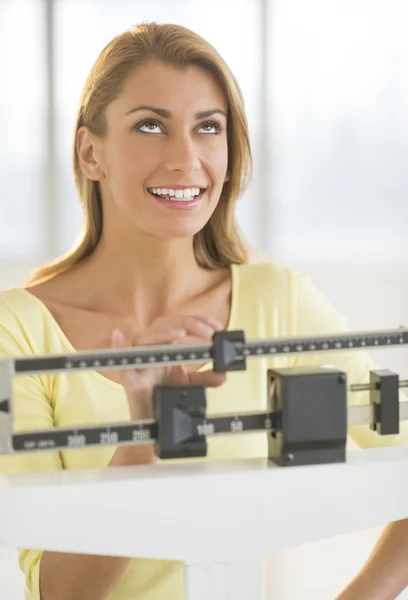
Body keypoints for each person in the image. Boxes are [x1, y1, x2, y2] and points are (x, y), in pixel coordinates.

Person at [0, 21, 407, 600]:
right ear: (91, 153)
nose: (186, 158)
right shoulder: (18, 330)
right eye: (150, 126)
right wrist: (143, 439)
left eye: (207, 128)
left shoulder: (278, 302)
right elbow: (58, 592)